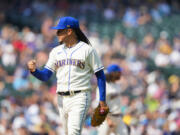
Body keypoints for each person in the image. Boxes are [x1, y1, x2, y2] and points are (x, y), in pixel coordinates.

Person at [27, 16, 108, 135]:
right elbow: (45, 76)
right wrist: (34, 71)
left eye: (60, 30)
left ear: (69, 31)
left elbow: (100, 75)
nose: (57, 33)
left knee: (73, 132)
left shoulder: (87, 50)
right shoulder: (55, 51)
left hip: (80, 96)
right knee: (66, 132)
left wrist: (102, 100)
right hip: (61, 99)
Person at [96, 64, 130, 135]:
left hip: (118, 118)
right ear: (112, 73)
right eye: (118, 72)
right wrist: (107, 119)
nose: (120, 74)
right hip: (106, 119)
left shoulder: (116, 85)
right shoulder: (103, 86)